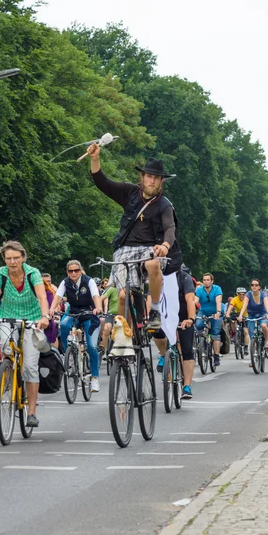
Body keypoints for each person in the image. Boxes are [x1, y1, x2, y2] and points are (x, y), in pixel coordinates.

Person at [87, 143, 182, 329]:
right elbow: (103, 183)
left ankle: (154, 310)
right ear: (142, 177)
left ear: (161, 181)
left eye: (156, 178)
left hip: (151, 249)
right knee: (123, 296)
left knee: (153, 263)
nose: (152, 181)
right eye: (149, 176)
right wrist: (95, 158)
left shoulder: (165, 205)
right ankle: (126, 339)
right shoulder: (130, 192)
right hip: (125, 250)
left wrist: (165, 245)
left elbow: (170, 228)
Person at [0, 242, 50, 428]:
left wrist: (44, 316)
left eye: (16, 258)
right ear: (4, 259)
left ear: (23, 258)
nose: (12, 261)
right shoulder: (0, 273)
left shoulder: (32, 273)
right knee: (8, 350)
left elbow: (42, 297)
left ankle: (31, 412)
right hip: (7, 318)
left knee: (31, 366)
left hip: (32, 320)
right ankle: (7, 375)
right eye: (8, 258)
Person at [49, 260, 103, 393]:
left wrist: (98, 308)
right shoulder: (65, 282)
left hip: (89, 313)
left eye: (76, 270)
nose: (73, 273)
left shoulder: (88, 281)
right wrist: (51, 309)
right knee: (63, 324)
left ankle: (95, 378)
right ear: (67, 272)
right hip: (74, 312)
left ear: (80, 270)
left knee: (91, 346)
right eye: (70, 271)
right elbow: (58, 296)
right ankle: (70, 354)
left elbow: (96, 295)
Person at [153, 268, 196, 399]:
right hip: (164, 315)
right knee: (155, 331)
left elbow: (190, 300)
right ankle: (162, 354)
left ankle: (187, 386)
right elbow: (152, 297)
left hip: (183, 315)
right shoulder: (158, 276)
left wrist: (191, 319)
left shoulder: (185, 278)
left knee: (187, 350)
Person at [195, 273, 223, 366]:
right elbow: (195, 301)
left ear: (212, 281)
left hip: (215, 312)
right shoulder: (199, 290)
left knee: (215, 333)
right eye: (204, 280)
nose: (206, 282)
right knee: (198, 324)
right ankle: (203, 342)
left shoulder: (217, 289)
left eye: (208, 280)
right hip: (203, 312)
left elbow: (218, 301)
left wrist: (218, 312)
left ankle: (216, 356)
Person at [238, 279, 268, 354]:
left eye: (256, 285)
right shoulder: (248, 294)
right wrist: (240, 315)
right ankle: (255, 354)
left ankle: (266, 341)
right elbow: (244, 305)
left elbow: (266, 305)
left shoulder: (263, 294)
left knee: (263, 325)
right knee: (252, 335)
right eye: (252, 285)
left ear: (259, 287)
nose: (254, 287)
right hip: (251, 315)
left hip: (262, 314)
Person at [226, 287, 249, 355]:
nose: (241, 296)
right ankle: (235, 334)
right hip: (237, 314)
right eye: (240, 294)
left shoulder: (247, 299)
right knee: (232, 322)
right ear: (237, 294)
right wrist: (227, 313)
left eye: (243, 294)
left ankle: (246, 347)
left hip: (246, 315)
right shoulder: (234, 299)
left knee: (245, 332)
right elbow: (230, 306)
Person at [99, 281, 119, 358]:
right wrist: (100, 309)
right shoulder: (111, 289)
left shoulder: (126, 289)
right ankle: (105, 350)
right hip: (111, 314)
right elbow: (101, 299)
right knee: (107, 329)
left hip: (122, 315)